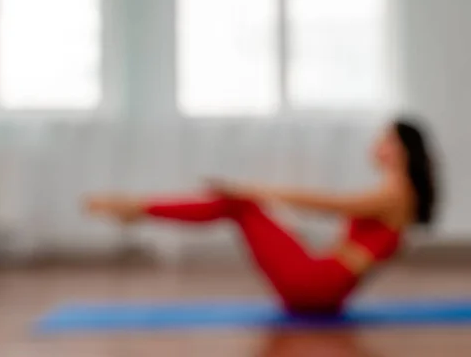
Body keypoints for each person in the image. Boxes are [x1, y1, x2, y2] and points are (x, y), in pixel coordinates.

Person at [85, 118, 438, 315]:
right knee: (240, 204)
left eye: (386, 140)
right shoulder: (399, 193)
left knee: (239, 204)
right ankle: (138, 210)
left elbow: (328, 204)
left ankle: (137, 209)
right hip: (323, 287)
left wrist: (254, 190)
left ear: (405, 150)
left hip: (314, 289)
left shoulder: (395, 193)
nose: (376, 145)